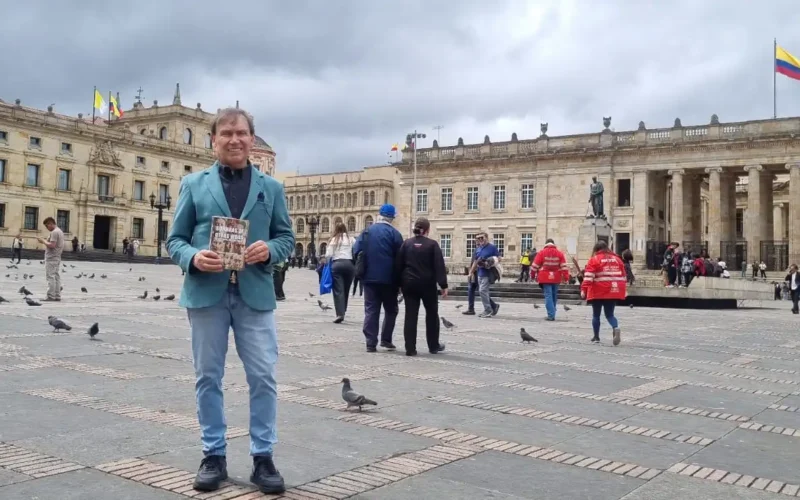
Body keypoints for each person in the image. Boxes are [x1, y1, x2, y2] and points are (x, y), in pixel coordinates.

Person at [166, 107, 294, 495]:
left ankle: (263, 457)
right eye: (226, 133)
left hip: (254, 292)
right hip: (207, 293)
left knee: (263, 378)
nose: (234, 139)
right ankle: (213, 454)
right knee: (208, 376)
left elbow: (286, 238)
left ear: (252, 139)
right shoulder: (194, 183)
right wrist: (193, 257)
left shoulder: (271, 188)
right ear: (214, 140)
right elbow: (175, 239)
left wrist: (268, 250)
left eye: (241, 133)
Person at [353, 204, 403, 352]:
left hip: (369, 278)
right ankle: (386, 339)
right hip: (389, 280)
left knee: (371, 310)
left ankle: (370, 342)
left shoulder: (367, 232)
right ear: (392, 217)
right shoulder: (395, 234)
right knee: (391, 309)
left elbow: (356, 251)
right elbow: (400, 258)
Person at [395, 217, 447, 356]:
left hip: (409, 284)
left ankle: (410, 348)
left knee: (410, 315)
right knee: (431, 314)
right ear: (427, 230)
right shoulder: (432, 244)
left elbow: (399, 265)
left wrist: (398, 284)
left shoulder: (406, 244)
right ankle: (433, 346)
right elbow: (439, 265)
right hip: (427, 284)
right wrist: (443, 285)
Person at [581, 240, 626, 345]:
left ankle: (596, 337)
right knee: (610, 314)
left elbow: (588, 277)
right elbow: (623, 277)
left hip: (598, 291)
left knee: (596, 315)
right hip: (613, 290)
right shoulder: (618, 259)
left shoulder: (594, 259)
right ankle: (615, 327)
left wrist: (583, 289)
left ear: (596, 249)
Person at [531, 238, 569, 321]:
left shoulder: (541, 253)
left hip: (545, 278)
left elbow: (534, 266)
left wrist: (532, 276)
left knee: (548, 296)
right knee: (554, 296)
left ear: (546, 244)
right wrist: (566, 277)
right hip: (556, 278)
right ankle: (552, 312)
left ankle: (551, 315)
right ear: (553, 244)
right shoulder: (560, 253)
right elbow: (564, 267)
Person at [325, 221, 356, 323]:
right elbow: (356, 251)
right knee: (346, 290)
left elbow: (328, 254)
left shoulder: (334, 240)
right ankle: (344, 310)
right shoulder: (351, 239)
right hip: (349, 265)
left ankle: (340, 313)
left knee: (338, 290)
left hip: (337, 265)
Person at [470, 233, 501, 318]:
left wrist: (491, 262)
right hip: (480, 273)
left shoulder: (492, 247)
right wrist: (471, 272)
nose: (480, 240)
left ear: (486, 238)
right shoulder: (478, 249)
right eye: (478, 238)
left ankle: (488, 310)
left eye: (481, 238)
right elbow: (476, 262)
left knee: (482, 291)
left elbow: (499, 258)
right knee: (483, 291)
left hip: (488, 273)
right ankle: (492, 307)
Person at [37, 218, 64, 301]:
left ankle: (51, 296)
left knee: (50, 277)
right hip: (57, 257)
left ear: (50, 223)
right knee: (56, 276)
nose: (46, 228)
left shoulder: (54, 232)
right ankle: (57, 295)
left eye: (46, 225)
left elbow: (52, 245)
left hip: (52, 257)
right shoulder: (60, 231)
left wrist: (43, 241)